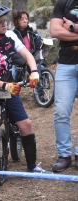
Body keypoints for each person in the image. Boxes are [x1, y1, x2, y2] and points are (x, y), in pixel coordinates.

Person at [0, 4, 51, 183]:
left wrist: (34, 71)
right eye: (0, 23)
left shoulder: (11, 36)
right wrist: (4, 85)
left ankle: (32, 166)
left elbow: (27, 55)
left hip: (10, 86)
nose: (5, 25)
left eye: (5, 22)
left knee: (25, 124)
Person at [50, 0, 78, 172]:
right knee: (61, 111)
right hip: (66, 65)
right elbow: (54, 31)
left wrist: (71, 26)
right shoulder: (63, 3)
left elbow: (61, 30)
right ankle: (64, 155)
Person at [12, 10, 46, 102]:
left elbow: (38, 45)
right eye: (22, 19)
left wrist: (37, 56)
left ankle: (40, 93)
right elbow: (12, 52)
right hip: (19, 60)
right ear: (17, 21)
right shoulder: (13, 34)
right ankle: (12, 97)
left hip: (32, 58)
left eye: (26, 19)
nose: (25, 21)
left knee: (41, 68)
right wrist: (24, 61)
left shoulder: (32, 32)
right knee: (12, 74)